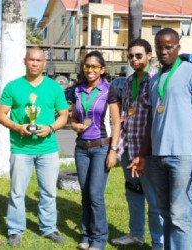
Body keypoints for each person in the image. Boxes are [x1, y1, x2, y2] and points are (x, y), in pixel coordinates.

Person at [129, 28, 192, 250]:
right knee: (164, 213)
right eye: (160, 47)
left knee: (181, 216)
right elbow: (150, 121)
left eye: (169, 46)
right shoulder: (155, 80)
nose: (164, 51)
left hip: (183, 156)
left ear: (178, 47)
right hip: (157, 157)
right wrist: (142, 154)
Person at [0, 47, 69, 247]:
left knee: (48, 192)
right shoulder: (13, 86)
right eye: (31, 60)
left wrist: (51, 128)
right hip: (21, 148)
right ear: (25, 61)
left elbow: (64, 115)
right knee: (17, 191)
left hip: (47, 149)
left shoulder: (54, 87)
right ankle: (15, 230)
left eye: (39, 60)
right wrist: (17, 127)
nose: (35, 63)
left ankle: (48, 228)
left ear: (44, 63)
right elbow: (1, 114)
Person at [111, 39, 164, 249]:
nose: (134, 59)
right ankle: (136, 234)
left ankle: (159, 242)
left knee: (154, 200)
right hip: (129, 148)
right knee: (133, 193)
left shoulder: (156, 81)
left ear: (149, 55)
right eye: (130, 56)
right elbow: (126, 115)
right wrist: (116, 145)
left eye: (138, 55)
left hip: (148, 152)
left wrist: (145, 153)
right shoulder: (128, 81)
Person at [70, 51, 120, 250]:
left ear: (102, 69)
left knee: (95, 194)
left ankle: (99, 239)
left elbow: (116, 123)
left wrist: (113, 150)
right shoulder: (77, 90)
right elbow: (73, 117)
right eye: (87, 66)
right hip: (81, 148)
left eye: (94, 66)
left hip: (102, 147)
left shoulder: (109, 91)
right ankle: (86, 235)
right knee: (85, 194)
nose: (90, 70)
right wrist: (75, 126)